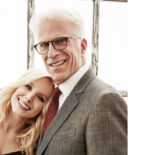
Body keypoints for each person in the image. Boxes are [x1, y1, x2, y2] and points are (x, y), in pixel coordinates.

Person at [29, 7, 127, 155]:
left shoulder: (105, 100)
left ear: (82, 46)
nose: (51, 54)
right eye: (44, 45)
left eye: (60, 41)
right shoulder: (49, 98)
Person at [0, 69, 54, 155]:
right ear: (16, 87)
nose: (29, 98)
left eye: (40, 98)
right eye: (28, 87)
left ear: (44, 109)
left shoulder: (31, 151)